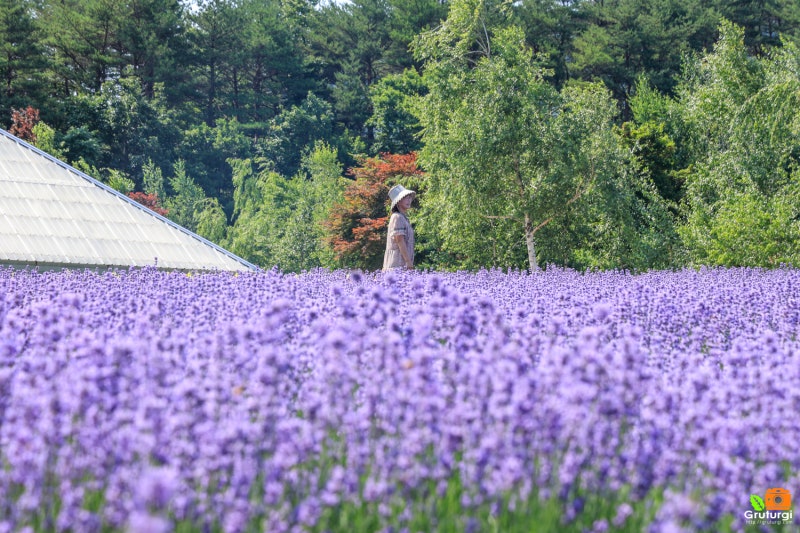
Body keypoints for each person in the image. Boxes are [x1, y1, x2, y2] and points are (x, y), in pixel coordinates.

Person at [383, 184, 415, 271]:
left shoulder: (403, 218)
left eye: (409, 198)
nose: (409, 200)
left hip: (403, 265)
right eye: (406, 198)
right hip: (397, 265)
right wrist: (408, 261)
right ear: (398, 201)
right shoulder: (397, 217)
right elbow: (400, 240)